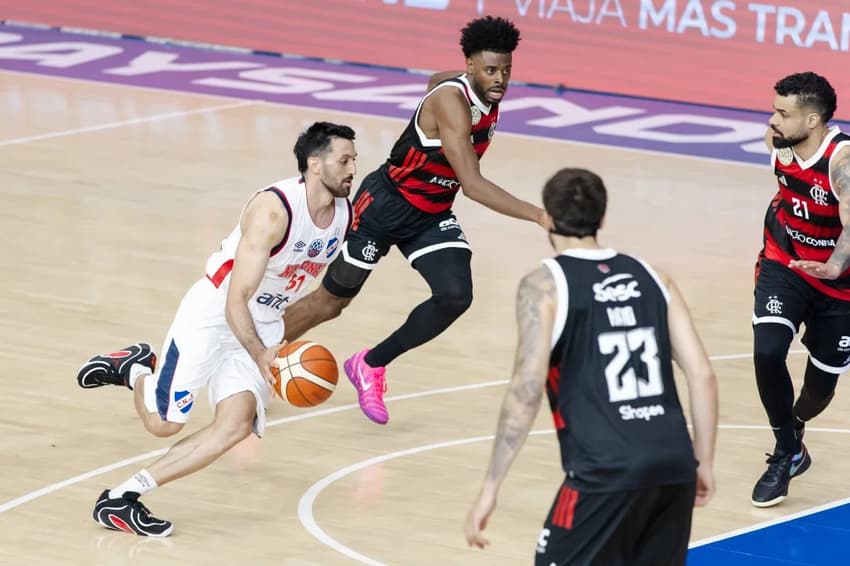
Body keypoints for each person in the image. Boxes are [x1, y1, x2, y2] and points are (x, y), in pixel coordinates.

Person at [75, 121, 357, 536]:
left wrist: (275, 340)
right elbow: (235, 300)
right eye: (345, 160)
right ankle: (135, 369)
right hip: (214, 313)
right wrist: (262, 353)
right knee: (163, 424)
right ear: (315, 164)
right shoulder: (274, 210)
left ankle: (121, 499)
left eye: (355, 160)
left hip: (263, 321)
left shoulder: (343, 214)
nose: (352, 168)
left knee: (237, 424)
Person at [282, 16, 548, 425]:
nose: (501, 79)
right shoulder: (452, 102)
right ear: (472, 65)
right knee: (332, 302)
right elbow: (473, 185)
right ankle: (253, 354)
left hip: (431, 212)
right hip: (385, 205)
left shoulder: (476, 88)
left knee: (456, 295)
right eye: (491, 70)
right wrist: (538, 215)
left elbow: (433, 77)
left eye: (507, 70)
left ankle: (370, 365)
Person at [463, 168, 718, 565]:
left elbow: (527, 389)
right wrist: (702, 461)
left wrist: (491, 486)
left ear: (546, 218)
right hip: (673, 462)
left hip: (605, 470)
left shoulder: (544, 285)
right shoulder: (654, 277)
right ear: (602, 218)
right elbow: (702, 375)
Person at [750, 71, 850, 507]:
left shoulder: (841, 160)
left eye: (782, 113)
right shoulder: (779, 141)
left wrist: (834, 265)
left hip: (841, 283)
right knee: (767, 349)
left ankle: (796, 428)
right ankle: (786, 452)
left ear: (813, 121)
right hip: (786, 262)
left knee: (818, 391)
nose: (772, 120)